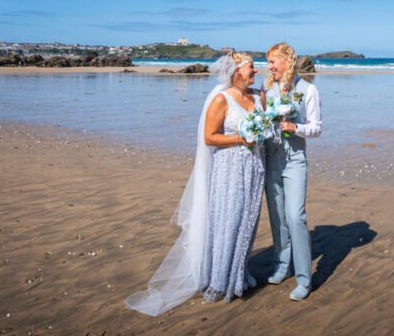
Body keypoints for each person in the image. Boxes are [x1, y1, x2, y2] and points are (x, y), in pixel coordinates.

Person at [126, 52, 266, 316]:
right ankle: (219, 280)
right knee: (228, 220)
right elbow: (210, 137)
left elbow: (267, 126)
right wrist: (241, 139)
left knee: (248, 221)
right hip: (229, 170)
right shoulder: (220, 99)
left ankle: (238, 273)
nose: (255, 72)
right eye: (251, 68)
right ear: (236, 71)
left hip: (254, 168)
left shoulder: (258, 96)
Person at [264, 42, 322, 301]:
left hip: (295, 159)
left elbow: (317, 128)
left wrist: (294, 127)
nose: (269, 67)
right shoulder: (268, 89)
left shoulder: (309, 90)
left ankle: (303, 278)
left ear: (287, 61)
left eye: (273, 61)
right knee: (277, 216)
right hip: (271, 158)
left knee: (295, 216)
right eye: (268, 62)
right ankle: (282, 265)